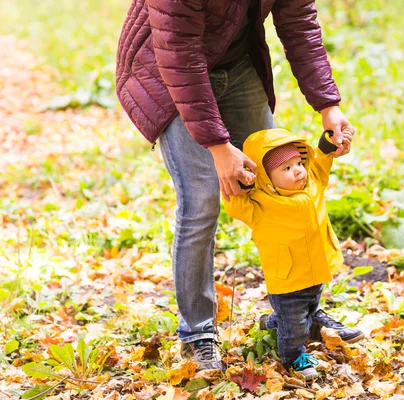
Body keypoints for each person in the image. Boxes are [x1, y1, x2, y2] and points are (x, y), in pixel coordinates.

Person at [115, 0, 356, 371]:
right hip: (170, 72)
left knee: (278, 185)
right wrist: (217, 145)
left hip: (238, 65)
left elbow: (299, 26)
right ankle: (196, 332)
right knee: (202, 199)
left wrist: (328, 105)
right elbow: (179, 53)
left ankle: (298, 312)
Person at [224, 128, 364, 380]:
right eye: (286, 169)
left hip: (315, 271)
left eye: (298, 163)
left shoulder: (312, 184)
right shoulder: (259, 205)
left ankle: (274, 322)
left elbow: (320, 163)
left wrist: (326, 146)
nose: (298, 170)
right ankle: (293, 356)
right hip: (287, 281)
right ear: (265, 178)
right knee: (296, 325)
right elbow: (235, 205)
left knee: (309, 309)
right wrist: (239, 185)